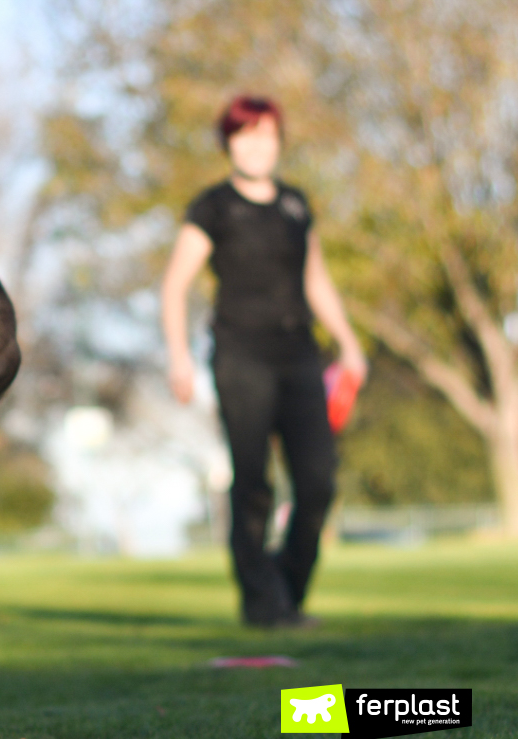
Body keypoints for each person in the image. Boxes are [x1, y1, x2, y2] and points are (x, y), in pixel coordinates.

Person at [160, 95, 368, 627]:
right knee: (253, 482)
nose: (258, 146)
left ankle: (286, 590)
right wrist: (179, 358)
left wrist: (348, 343)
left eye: (267, 135)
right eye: (246, 135)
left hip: (299, 353)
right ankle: (262, 603)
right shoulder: (213, 207)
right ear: (228, 142)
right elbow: (175, 284)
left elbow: (316, 280)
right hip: (240, 356)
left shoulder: (296, 205)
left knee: (319, 479)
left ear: (280, 141)